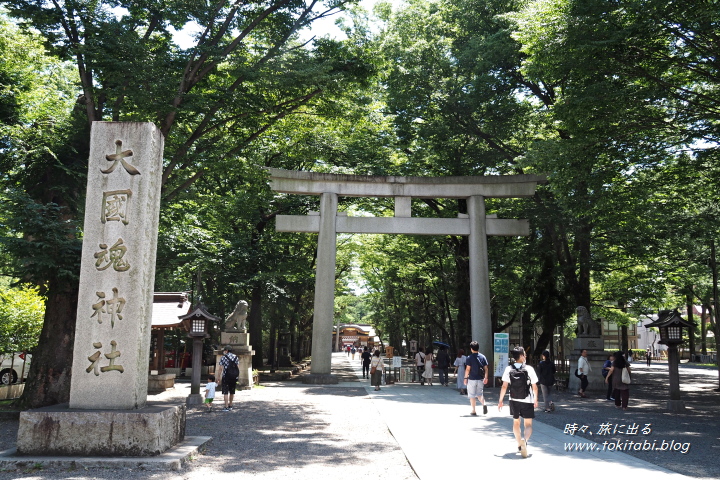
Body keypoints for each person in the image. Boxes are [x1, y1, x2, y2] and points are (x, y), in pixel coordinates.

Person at [498, 346, 539, 458]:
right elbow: (535, 387)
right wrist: (535, 399)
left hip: (514, 399)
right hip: (527, 399)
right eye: (524, 354)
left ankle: (519, 445)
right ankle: (524, 441)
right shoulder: (529, 369)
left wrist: (500, 400)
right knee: (528, 424)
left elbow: (504, 386)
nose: (525, 356)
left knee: (516, 423)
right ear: (521, 356)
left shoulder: (508, 369)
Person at [464, 341, 489, 415]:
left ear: (471, 349)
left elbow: (468, 369)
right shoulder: (483, 357)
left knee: (472, 395)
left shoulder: (469, 358)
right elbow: (486, 368)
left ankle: (473, 410)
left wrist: (465, 378)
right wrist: (486, 377)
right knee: (479, 394)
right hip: (480, 379)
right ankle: (484, 404)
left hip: (472, 379)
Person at [219, 345, 239, 411]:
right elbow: (237, 367)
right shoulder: (236, 357)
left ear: (226, 350)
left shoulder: (223, 357)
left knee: (225, 391)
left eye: (224, 350)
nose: (224, 351)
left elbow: (221, 368)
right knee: (232, 391)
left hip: (226, 376)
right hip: (234, 376)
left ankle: (226, 406)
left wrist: (218, 377)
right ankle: (230, 405)